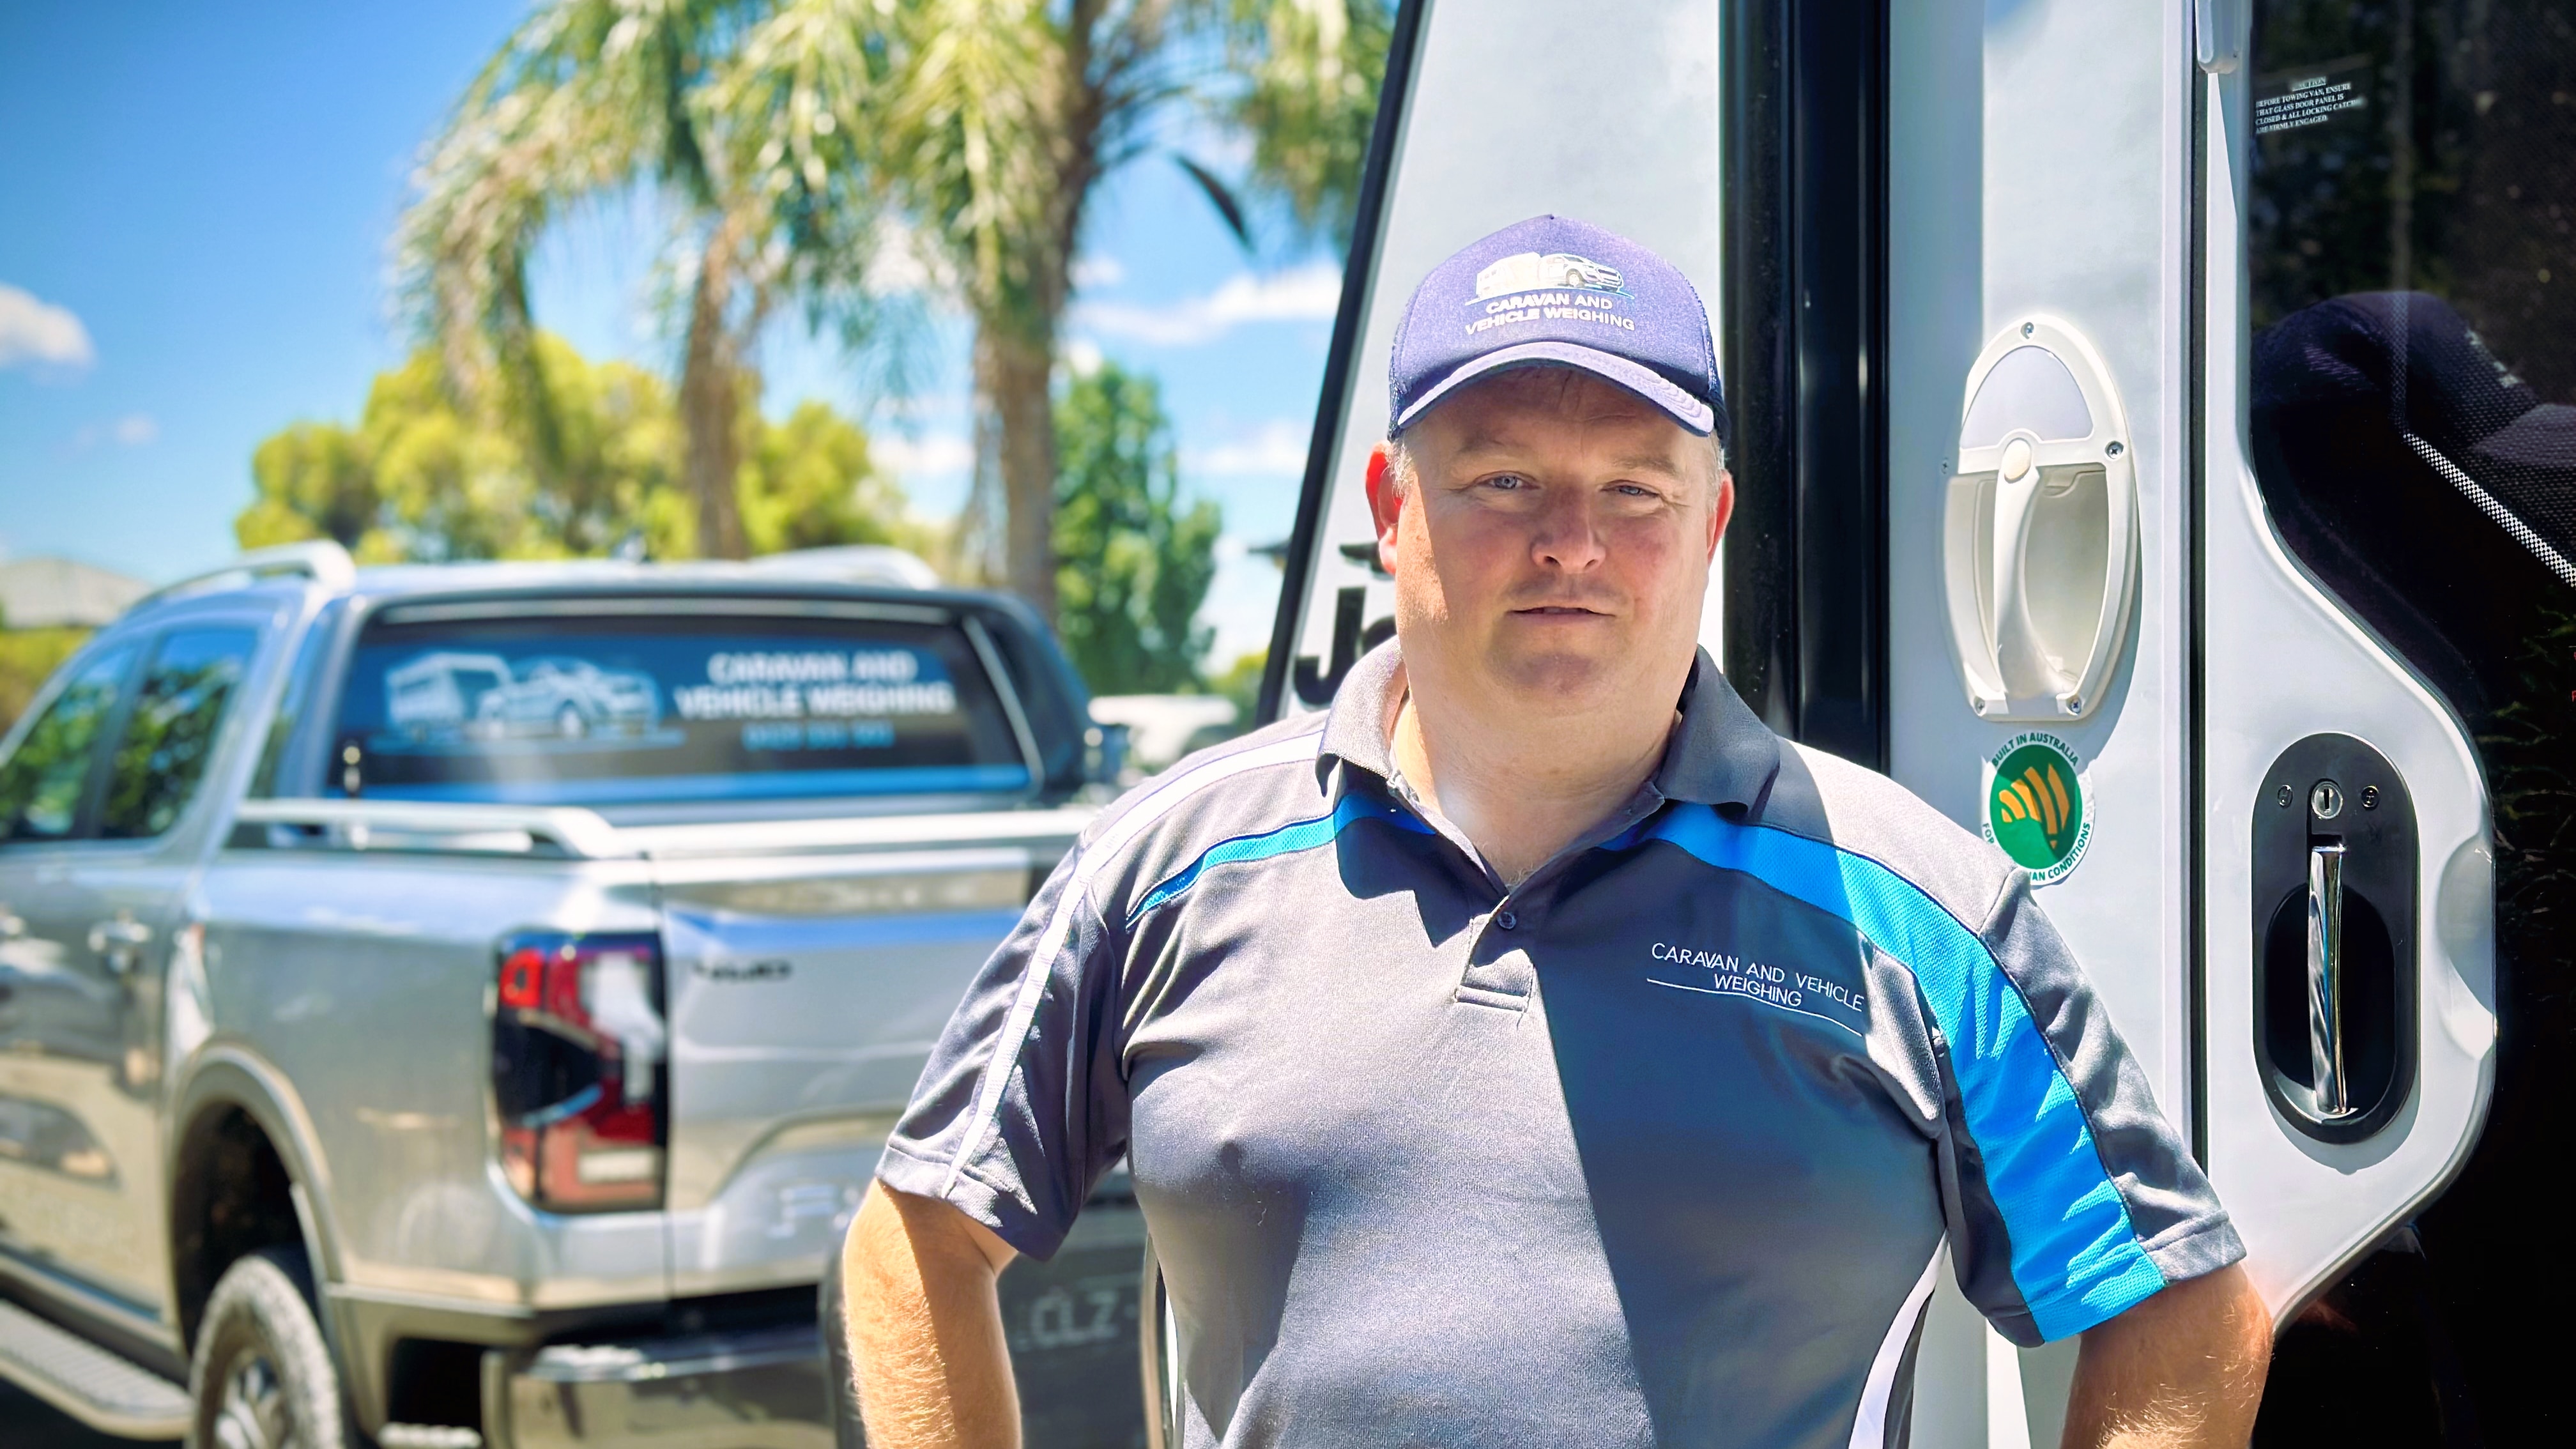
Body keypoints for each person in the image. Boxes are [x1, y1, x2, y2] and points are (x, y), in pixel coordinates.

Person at [841, 215, 2272, 1448]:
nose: (1572, 543)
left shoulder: (1920, 917)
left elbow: (2182, 1312)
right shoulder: (1165, 872)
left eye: (1635, 489)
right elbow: (916, 1238)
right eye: (1504, 480)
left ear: (1712, 521)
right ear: (1393, 508)